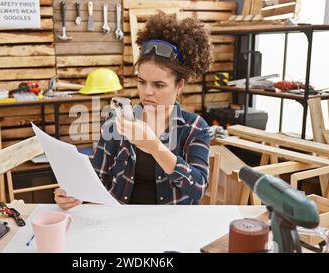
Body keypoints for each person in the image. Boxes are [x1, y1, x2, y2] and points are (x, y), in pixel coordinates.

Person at [55, 12, 213, 209]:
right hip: (119, 222)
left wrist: (155, 147)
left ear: (179, 86)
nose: (147, 92)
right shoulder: (116, 123)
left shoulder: (195, 128)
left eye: (159, 85)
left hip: (173, 227)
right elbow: (98, 180)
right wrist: (75, 194)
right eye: (141, 82)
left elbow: (198, 187)